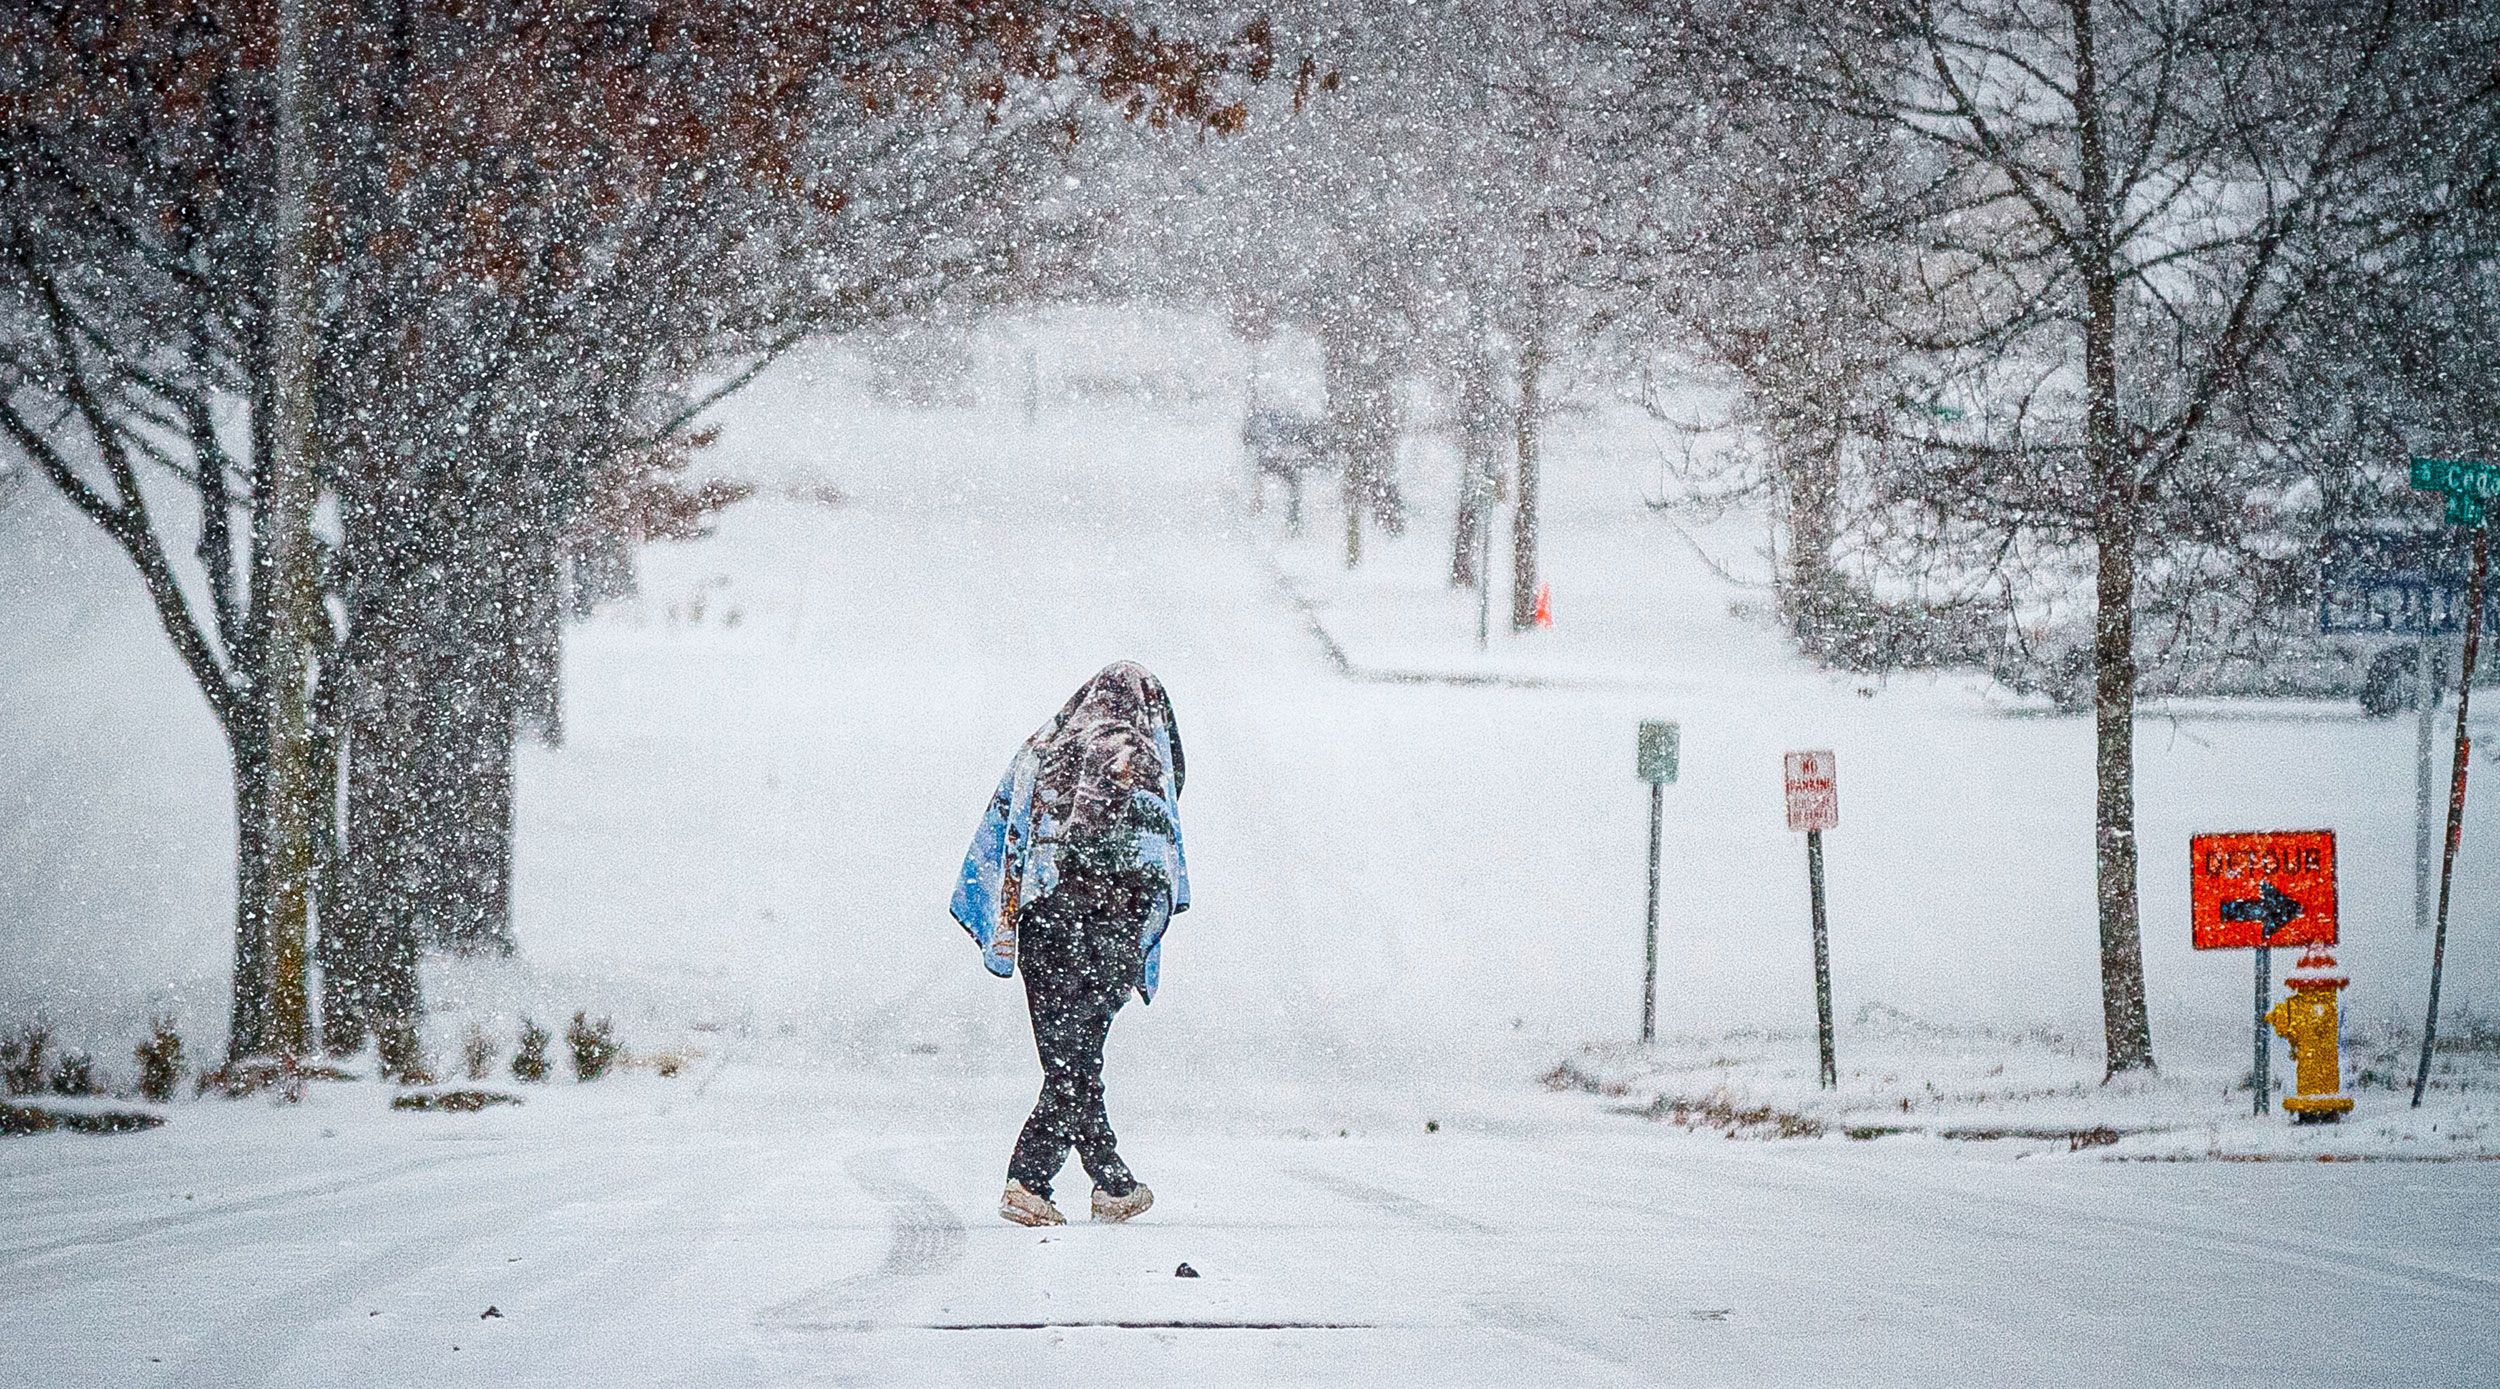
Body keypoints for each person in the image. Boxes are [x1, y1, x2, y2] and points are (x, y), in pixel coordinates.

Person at [952, 662, 1189, 1227]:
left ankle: (1111, 1182)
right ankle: (1031, 1181)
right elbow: (1152, 853)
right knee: (1075, 1062)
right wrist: (1129, 919)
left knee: (1070, 1060)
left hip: (1041, 924)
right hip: (1105, 925)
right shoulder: (1136, 756)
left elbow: (1005, 835)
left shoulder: (1040, 751)